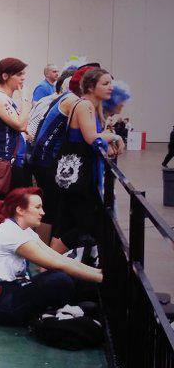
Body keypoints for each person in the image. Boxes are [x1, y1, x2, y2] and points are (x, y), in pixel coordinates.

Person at [0, 187, 102, 325]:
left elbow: (59, 258)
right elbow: (57, 263)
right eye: (38, 207)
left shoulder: (25, 231)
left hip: (12, 290)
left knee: (64, 277)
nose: (43, 212)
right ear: (20, 210)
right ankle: (69, 314)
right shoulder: (11, 234)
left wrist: (99, 273)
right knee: (59, 279)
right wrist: (102, 278)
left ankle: (71, 310)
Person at [51, 68, 125, 253]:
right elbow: (93, 138)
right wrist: (114, 137)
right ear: (91, 87)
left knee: (67, 224)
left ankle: (48, 266)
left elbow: (96, 142)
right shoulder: (85, 106)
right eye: (105, 84)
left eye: (111, 83)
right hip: (79, 177)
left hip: (80, 175)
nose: (111, 88)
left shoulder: (94, 107)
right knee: (84, 225)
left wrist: (109, 141)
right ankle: (49, 266)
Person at [28, 68, 82, 245]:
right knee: (50, 208)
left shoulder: (59, 99)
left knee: (50, 207)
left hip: (43, 158)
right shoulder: (69, 101)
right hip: (45, 159)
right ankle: (43, 255)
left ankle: (43, 253)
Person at [0, 57, 33, 200]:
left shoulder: (4, 98)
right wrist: (25, 98)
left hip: (12, 162)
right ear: (5, 76)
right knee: (8, 210)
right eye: (18, 75)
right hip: (5, 163)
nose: (23, 78)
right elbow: (20, 124)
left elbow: (17, 125)